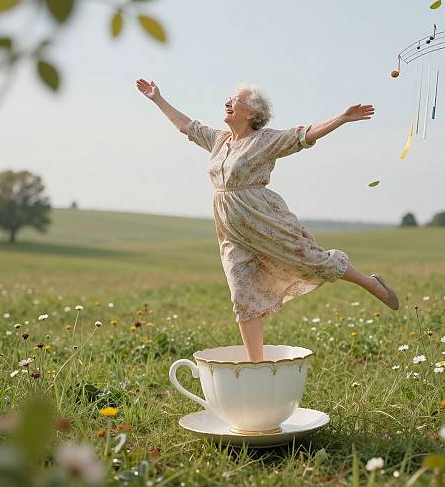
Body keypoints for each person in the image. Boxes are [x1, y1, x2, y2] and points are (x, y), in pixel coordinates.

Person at [136, 79, 399, 362]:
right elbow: (187, 126)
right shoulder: (220, 140)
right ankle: (256, 365)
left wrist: (342, 118)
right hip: (231, 230)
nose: (227, 102)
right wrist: (157, 99)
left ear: (251, 112)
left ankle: (371, 284)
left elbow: (304, 135)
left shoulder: (265, 140)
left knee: (312, 259)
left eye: (235, 100)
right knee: (242, 294)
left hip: (264, 218)